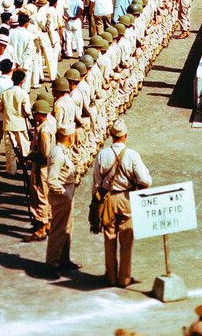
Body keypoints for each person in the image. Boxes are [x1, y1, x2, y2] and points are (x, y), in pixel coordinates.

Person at [91, 119, 151, 289]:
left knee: (109, 237)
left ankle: (110, 276)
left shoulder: (102, 155)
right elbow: (145, 180)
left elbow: (96, 182)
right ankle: (124, 277)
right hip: (127, 199)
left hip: (108, 199)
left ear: (111, 135)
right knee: (126, 239)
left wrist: (96, 200)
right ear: (125, 135)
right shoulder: (132, 155)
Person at [43, 126, 77, 277]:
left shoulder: (62, 151)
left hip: (67, 192)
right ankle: (51, 263)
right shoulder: (57, 154)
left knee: (67, 228)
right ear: (69, 137)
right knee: (58, 230)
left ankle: (64, 259)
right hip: (62, 194)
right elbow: (51, 179)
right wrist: (64, 194)